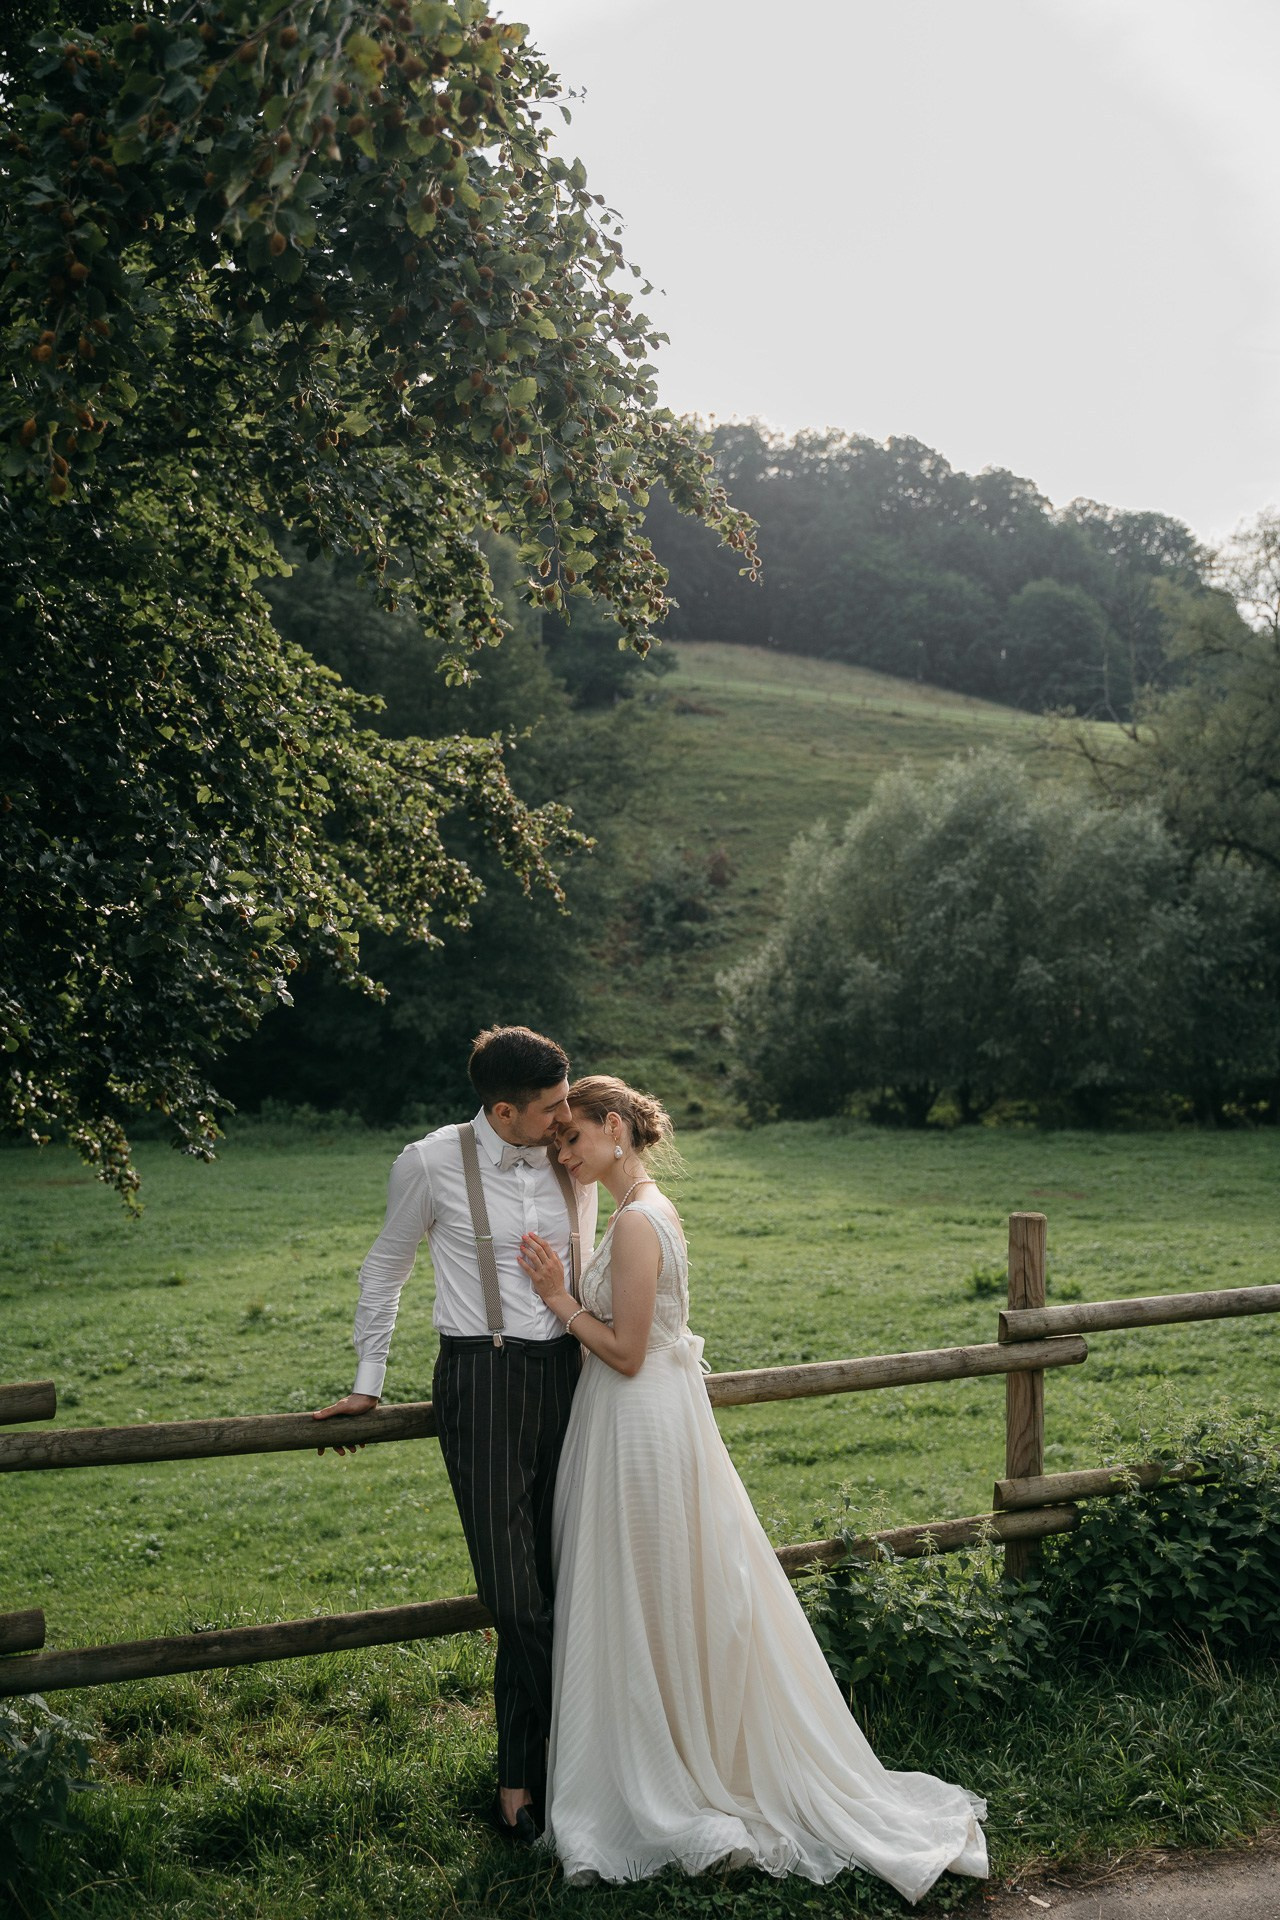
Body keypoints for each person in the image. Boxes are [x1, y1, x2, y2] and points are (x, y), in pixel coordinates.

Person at [515, 1075, 989, 1902]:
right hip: (644, 1416)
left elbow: (625, 1350)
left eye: (574, 1138)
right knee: (653, 1591)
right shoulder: (647, 1207)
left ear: (616, 1128)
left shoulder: (635, 1223)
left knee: (646, 1591)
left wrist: (558, 1299)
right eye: (557, 1144)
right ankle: (659, 1744)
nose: (564, 1153)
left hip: (637, 1419)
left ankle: (664, 1774)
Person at [312, 1025, 597, 1844]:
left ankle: (519, 1782)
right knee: (515, 1594)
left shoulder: (567, 1151)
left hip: (571, 1376)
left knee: (552, 1579)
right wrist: (368, 1383)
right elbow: (385, 1265)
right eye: (549, 1108)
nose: (563, 1118)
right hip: (481, 1379)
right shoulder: (428, 1161)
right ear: (502, 1109)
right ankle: (590, 1754)